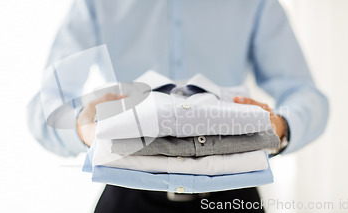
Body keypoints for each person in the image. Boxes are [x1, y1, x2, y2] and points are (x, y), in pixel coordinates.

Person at [27, 0, 329, 212]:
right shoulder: (95, 2)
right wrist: (84, 128)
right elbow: (45, 107)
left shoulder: (255, 3)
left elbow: (306, 95)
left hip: (232, 197)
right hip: (126, 197)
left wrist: (280, 128)